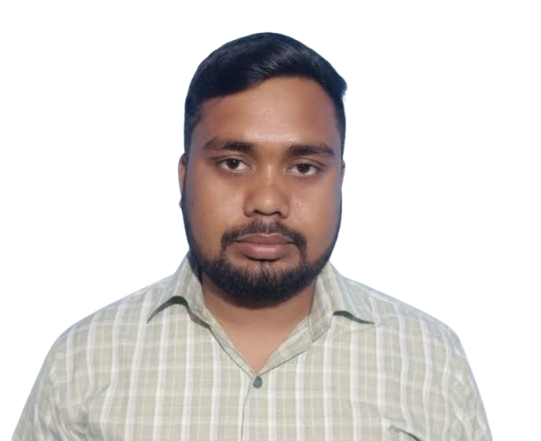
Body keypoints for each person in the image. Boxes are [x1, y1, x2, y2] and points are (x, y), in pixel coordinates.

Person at [14, 32, 491, 440]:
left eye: (304, 167)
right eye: (233, 163)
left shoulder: (429, 360)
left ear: (340, 181)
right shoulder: (82, 363)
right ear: (184, 178)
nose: (267, 201)